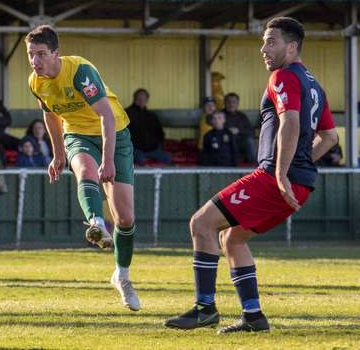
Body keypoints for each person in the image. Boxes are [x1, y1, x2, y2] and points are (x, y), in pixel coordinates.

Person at [165, 17, 337, 333]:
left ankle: (205, 309)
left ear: (292, 46)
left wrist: (282, 173)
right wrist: (298, 167)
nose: (264, 49)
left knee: (201, 224)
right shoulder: (315, 84)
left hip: (275, 178)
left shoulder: (283, 76)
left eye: (271, 41)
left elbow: (291, 123)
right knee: (232, 238)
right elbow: (330, 138)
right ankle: (254, 317)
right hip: (298, 183)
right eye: (263, 42)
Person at [26, 25, 140, 311]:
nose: (35, 61)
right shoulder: (35, 82)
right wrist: (57, 154)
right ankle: (96, 223)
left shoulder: (80, 71)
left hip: (115, 135)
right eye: (30, 55)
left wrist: (109, 159)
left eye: (40, 54)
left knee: (125, 219)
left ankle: (121, 276)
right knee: (86, 173)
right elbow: (50, 115)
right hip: (76, 134)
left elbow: (106, 117)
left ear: (56, 53)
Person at [125, 88, 171, 165]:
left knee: (167, 158)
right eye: (139, 98)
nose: (142, 100)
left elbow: (160, 133)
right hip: (136, 149)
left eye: (144, 98)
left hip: (153, 149)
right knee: (140, 160)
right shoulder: (126, 113)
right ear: (135, 98)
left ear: (147, 100)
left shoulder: (152, 116)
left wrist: (159, 145)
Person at [223, 93, 257, 164]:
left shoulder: (242, 116)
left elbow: (251, 131)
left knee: (250, 141)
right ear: (225, 103)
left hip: (241, 142)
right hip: (226, 141)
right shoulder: (221, 114)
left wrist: (238, 131)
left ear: (237, 104)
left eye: (234, 102)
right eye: (229, 102)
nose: (231, 104)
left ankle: (253, 165)